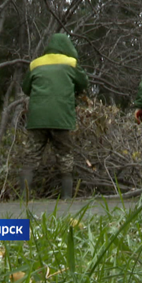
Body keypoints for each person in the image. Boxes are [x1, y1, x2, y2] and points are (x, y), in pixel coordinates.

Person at [20, 33, 89, 199]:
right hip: (61, 118)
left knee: (31, 158)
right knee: (65, 158)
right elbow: (84, 83)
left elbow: (25, 87)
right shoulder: (71, 63)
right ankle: (66, 199)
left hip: (37, 119)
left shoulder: (35, 64)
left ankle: (23, 199)